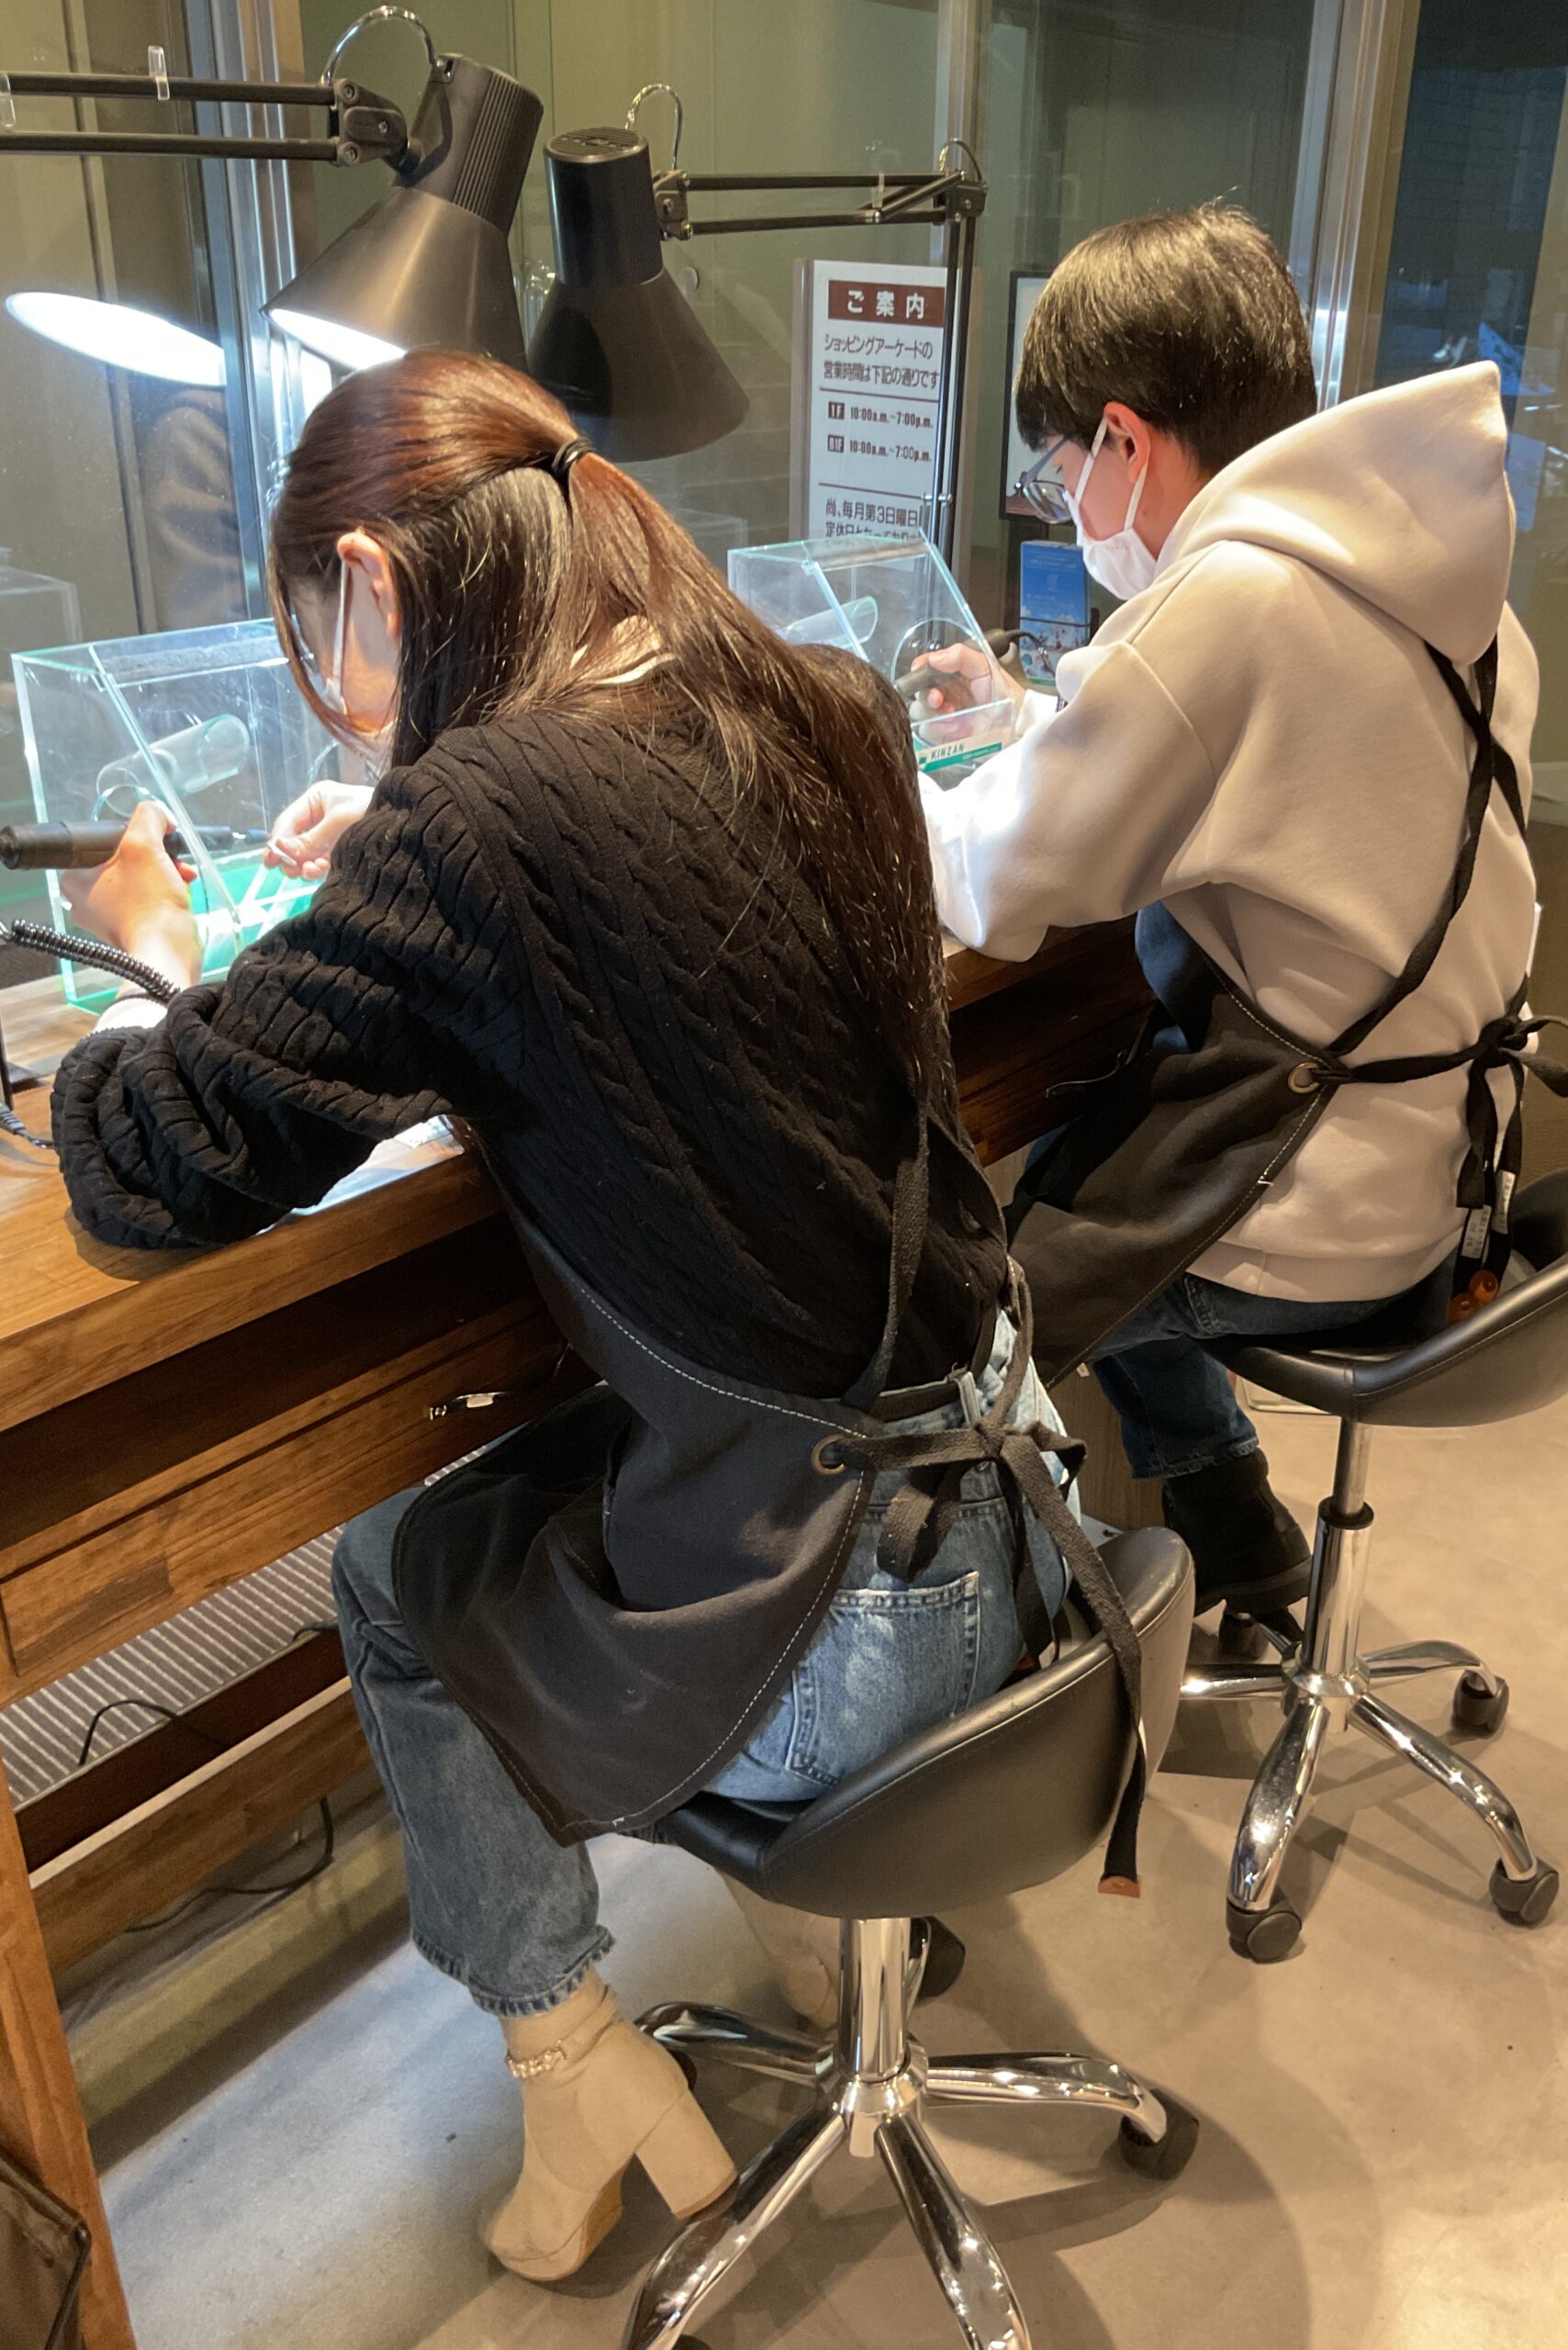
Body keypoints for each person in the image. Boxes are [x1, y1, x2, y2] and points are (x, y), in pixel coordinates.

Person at [50, 350, 1093, 2286]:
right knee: (556, 1468)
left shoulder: (478, 820)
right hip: (1024, 1519)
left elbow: (147, 1158)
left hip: (855, 1634)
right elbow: (630, 928)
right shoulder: (825, 705)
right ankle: (806, 1953)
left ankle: (570, 2067)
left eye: (320, 652)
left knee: (393, 1573)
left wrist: (155, 958)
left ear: (373, 582)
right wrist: (399, 840)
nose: (343, 697)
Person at [915, 204, 1562, 1623]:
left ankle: (1033, 1651)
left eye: (1062, 467)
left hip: (1316, 1206)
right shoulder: (1441, 585)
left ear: (1125, 439)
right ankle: (1235, 1526)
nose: (1065, 503)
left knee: (963, 1307)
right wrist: (1033, 718)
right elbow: (1278, 783)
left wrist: (871, 773)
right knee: (1093, 1164)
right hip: (1455, 1169)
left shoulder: (1232, 604)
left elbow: (997, 884)